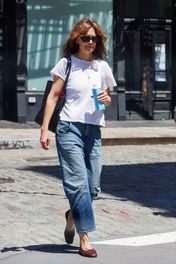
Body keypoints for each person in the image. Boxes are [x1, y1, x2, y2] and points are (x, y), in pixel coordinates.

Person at [40, 18, 116, 258]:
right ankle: (85, 237)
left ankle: (72, 215)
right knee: (78, 183)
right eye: (86, 38)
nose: (90, 42)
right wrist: (44, 129)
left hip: (93, 130)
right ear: (77, 40)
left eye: (94, 38)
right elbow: (53, 96)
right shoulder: (66, 64)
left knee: (93, 186)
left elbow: (107, 98)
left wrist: (107, 100)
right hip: (68, 128)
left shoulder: (102, 67)